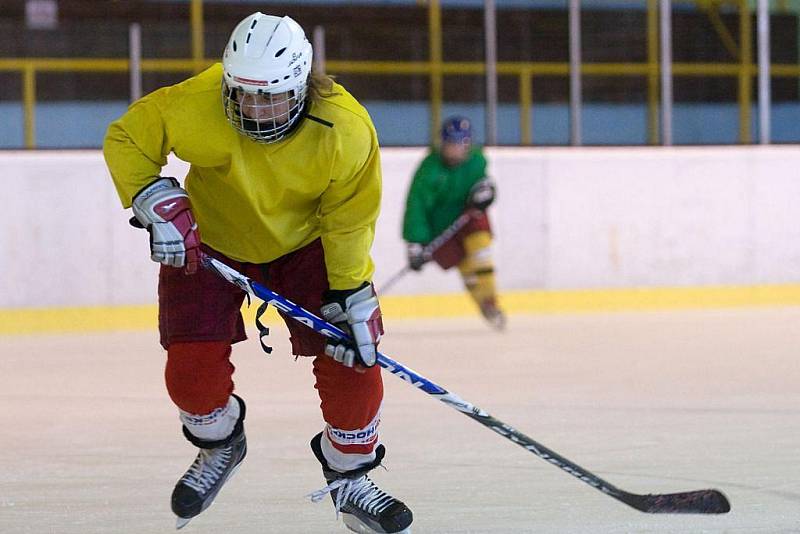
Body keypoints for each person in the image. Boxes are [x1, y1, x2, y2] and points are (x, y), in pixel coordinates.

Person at [103, 12, 412, 534]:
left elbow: (350, 216)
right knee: (189, 376)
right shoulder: (196, 101)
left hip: (306, 245)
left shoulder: (346, 128)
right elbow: (127, 139)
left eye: (270, 96)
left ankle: (350, 477)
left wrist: (351, 290)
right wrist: (151, 197)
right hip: (211, 242)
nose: (253, 109)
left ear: (300, 86)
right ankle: (221, 442)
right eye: (242, 93)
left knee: (354, 370)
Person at [402, 116, 505, 330]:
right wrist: (415, 242)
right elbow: (417, 206)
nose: (457, 149)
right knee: (467, 270)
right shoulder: (429, 169)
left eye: (462, 144)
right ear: (442, 144)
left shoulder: (477, 160)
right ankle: (483, 304)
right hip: (442, 227)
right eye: (452, 144)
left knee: (481, 251)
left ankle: (491, 299)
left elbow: (483, 183)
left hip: (468, 218)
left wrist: (486, 191)